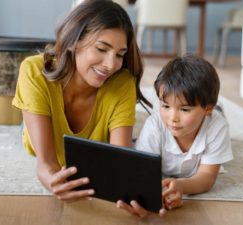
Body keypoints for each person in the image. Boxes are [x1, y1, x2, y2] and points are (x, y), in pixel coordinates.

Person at [12, 1, 151, 202]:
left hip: (102, 117)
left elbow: (121, 165)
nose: (111, 65)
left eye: (120, 55)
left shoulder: (122, 82)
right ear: (73, 41)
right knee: (27, 129)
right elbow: (46, 164)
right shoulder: (34, 71)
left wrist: (137, 198)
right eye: (102, 49)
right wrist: (53, 181)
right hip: (37, 122)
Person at [118, 54, 233, 217]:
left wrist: (182, 186)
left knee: (220, 120)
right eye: (165, 106)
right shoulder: (155, 124)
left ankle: (218, 108)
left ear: (207, 109)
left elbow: (207, 176)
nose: (173, 118)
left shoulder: (217, 126)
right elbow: (141, 171)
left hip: (211, 119)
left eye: (184, 109)